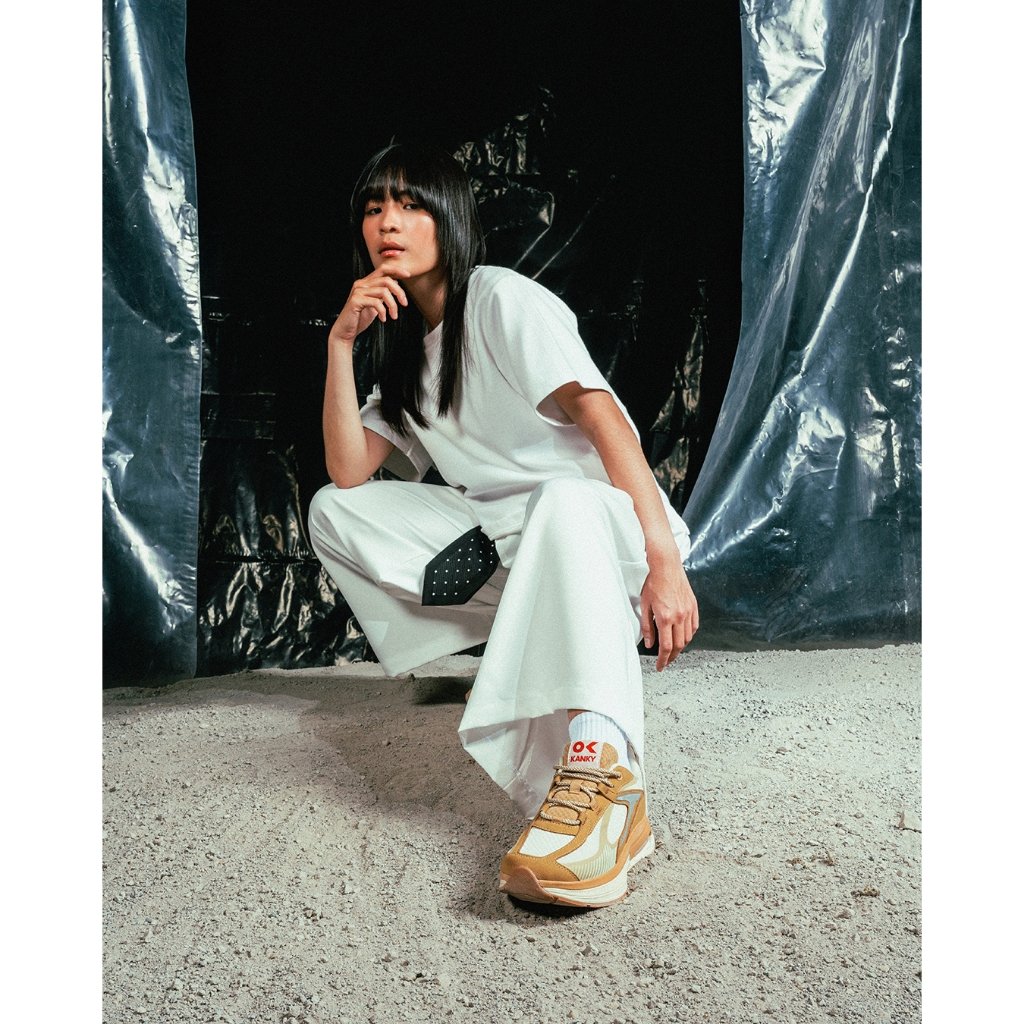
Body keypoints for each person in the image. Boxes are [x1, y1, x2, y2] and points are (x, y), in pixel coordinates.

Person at [308, 141, 699, 908]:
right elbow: (349, 471)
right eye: (374, 207)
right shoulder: (406, 356)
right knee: (334, 510)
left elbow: (604, 421)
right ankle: (520, 641)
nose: (388, 222)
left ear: (449, 218)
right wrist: (340, 343)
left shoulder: (497, 297)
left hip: (604, 534)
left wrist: (665, 564)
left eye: (410, 204)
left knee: (560, 497)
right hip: (511, 548)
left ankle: (603, 775)